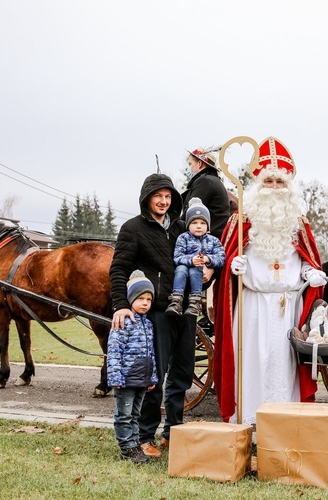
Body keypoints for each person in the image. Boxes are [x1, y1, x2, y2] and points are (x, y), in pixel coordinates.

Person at [212, 136, 328, 424]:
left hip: (288, 307)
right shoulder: (240, 220)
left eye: (280, 183)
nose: (274, 189)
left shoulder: (298, 221)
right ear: (257, 185)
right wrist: (232, 266)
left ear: (288, 186)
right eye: (268, 182)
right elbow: (224, 265)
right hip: (252, 307)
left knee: (283, 365)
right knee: (251, 363)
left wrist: (309, 273)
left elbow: (305, 260)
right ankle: (248, 421)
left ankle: (284, 423)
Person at [109, 173, 207, 459]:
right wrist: (120, 304)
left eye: (168, 197)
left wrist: (208, 271)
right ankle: (144, 435)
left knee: (182, 374)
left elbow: (197, 263)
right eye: (158, 196)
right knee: (153, 376)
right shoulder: (133, 229)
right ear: (147, 198)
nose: (163, 201)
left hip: (186, 310)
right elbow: (118, 269)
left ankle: (173, 431)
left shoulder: (182, 229)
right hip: (156, 313)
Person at [107, 270, 158, 464]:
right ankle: (127, 448)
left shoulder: (149, 324)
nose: (145, 303)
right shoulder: (123, 323)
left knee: (136, 414)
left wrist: (152, 377)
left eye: (148, 299)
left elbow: (150, 353)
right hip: (126, 379)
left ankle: (135, 444)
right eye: (140, 298)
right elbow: (114, 352)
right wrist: (115, 378)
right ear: (130, 300)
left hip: (142, 379)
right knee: (124, 415)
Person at [166, 197, 226, 317]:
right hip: (185, 270)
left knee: (195, 270)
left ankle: (195, 301)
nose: (198, 226)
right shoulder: (183, 238)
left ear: (208, 225)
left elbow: (222, 258)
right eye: (194, 223)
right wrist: (191, 260)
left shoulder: (213, 240)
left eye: (202, 223)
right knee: (181, 269)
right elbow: (177, 256)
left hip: (200, 273)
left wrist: (207, 259)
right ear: (188, 224)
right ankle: (176, 299)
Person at [182, 148, 230, 239]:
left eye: (190, 164)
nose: (189, 168)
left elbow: (191, 211)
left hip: (205, 239)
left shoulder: (204, 182)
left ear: (200, 163)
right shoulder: (215, 181)